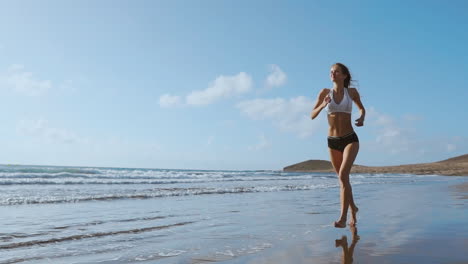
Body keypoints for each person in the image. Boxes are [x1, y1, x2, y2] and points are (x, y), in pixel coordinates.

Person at [310, 63, 366, 228]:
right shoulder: (324, 93)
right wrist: (323, 104)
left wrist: (362, 118)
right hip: (333, 141)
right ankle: (353, 210)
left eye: (336, 72)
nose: (332, 74)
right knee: (343, 180)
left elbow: (362, 109)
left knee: (343, 176)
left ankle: (342, 218)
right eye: (331, 72)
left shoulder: (352, 92)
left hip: (350, 138)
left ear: (344, 75)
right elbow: (312, 115)